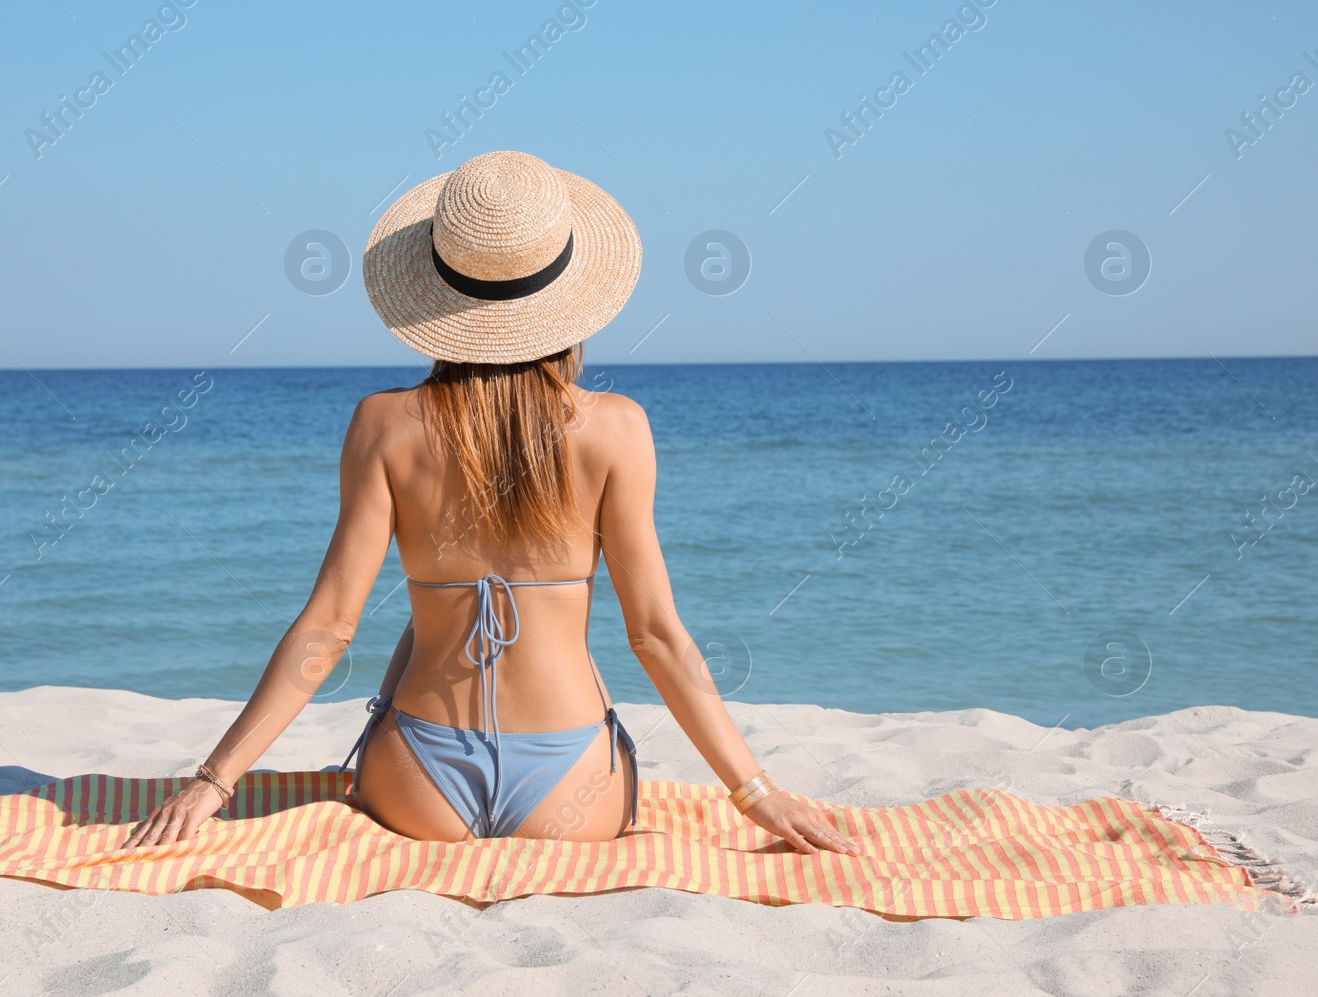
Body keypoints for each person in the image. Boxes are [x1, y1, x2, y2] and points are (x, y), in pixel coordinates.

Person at [123, 150, 862, 855]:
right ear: (570, 299)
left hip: (419, 780)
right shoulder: (616, 427)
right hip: (572, 784)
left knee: (422, 625)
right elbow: (656, 637)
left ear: (438, 297)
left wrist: (213, 783)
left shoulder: (382, 424)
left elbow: (330, 626)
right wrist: (757, 791)